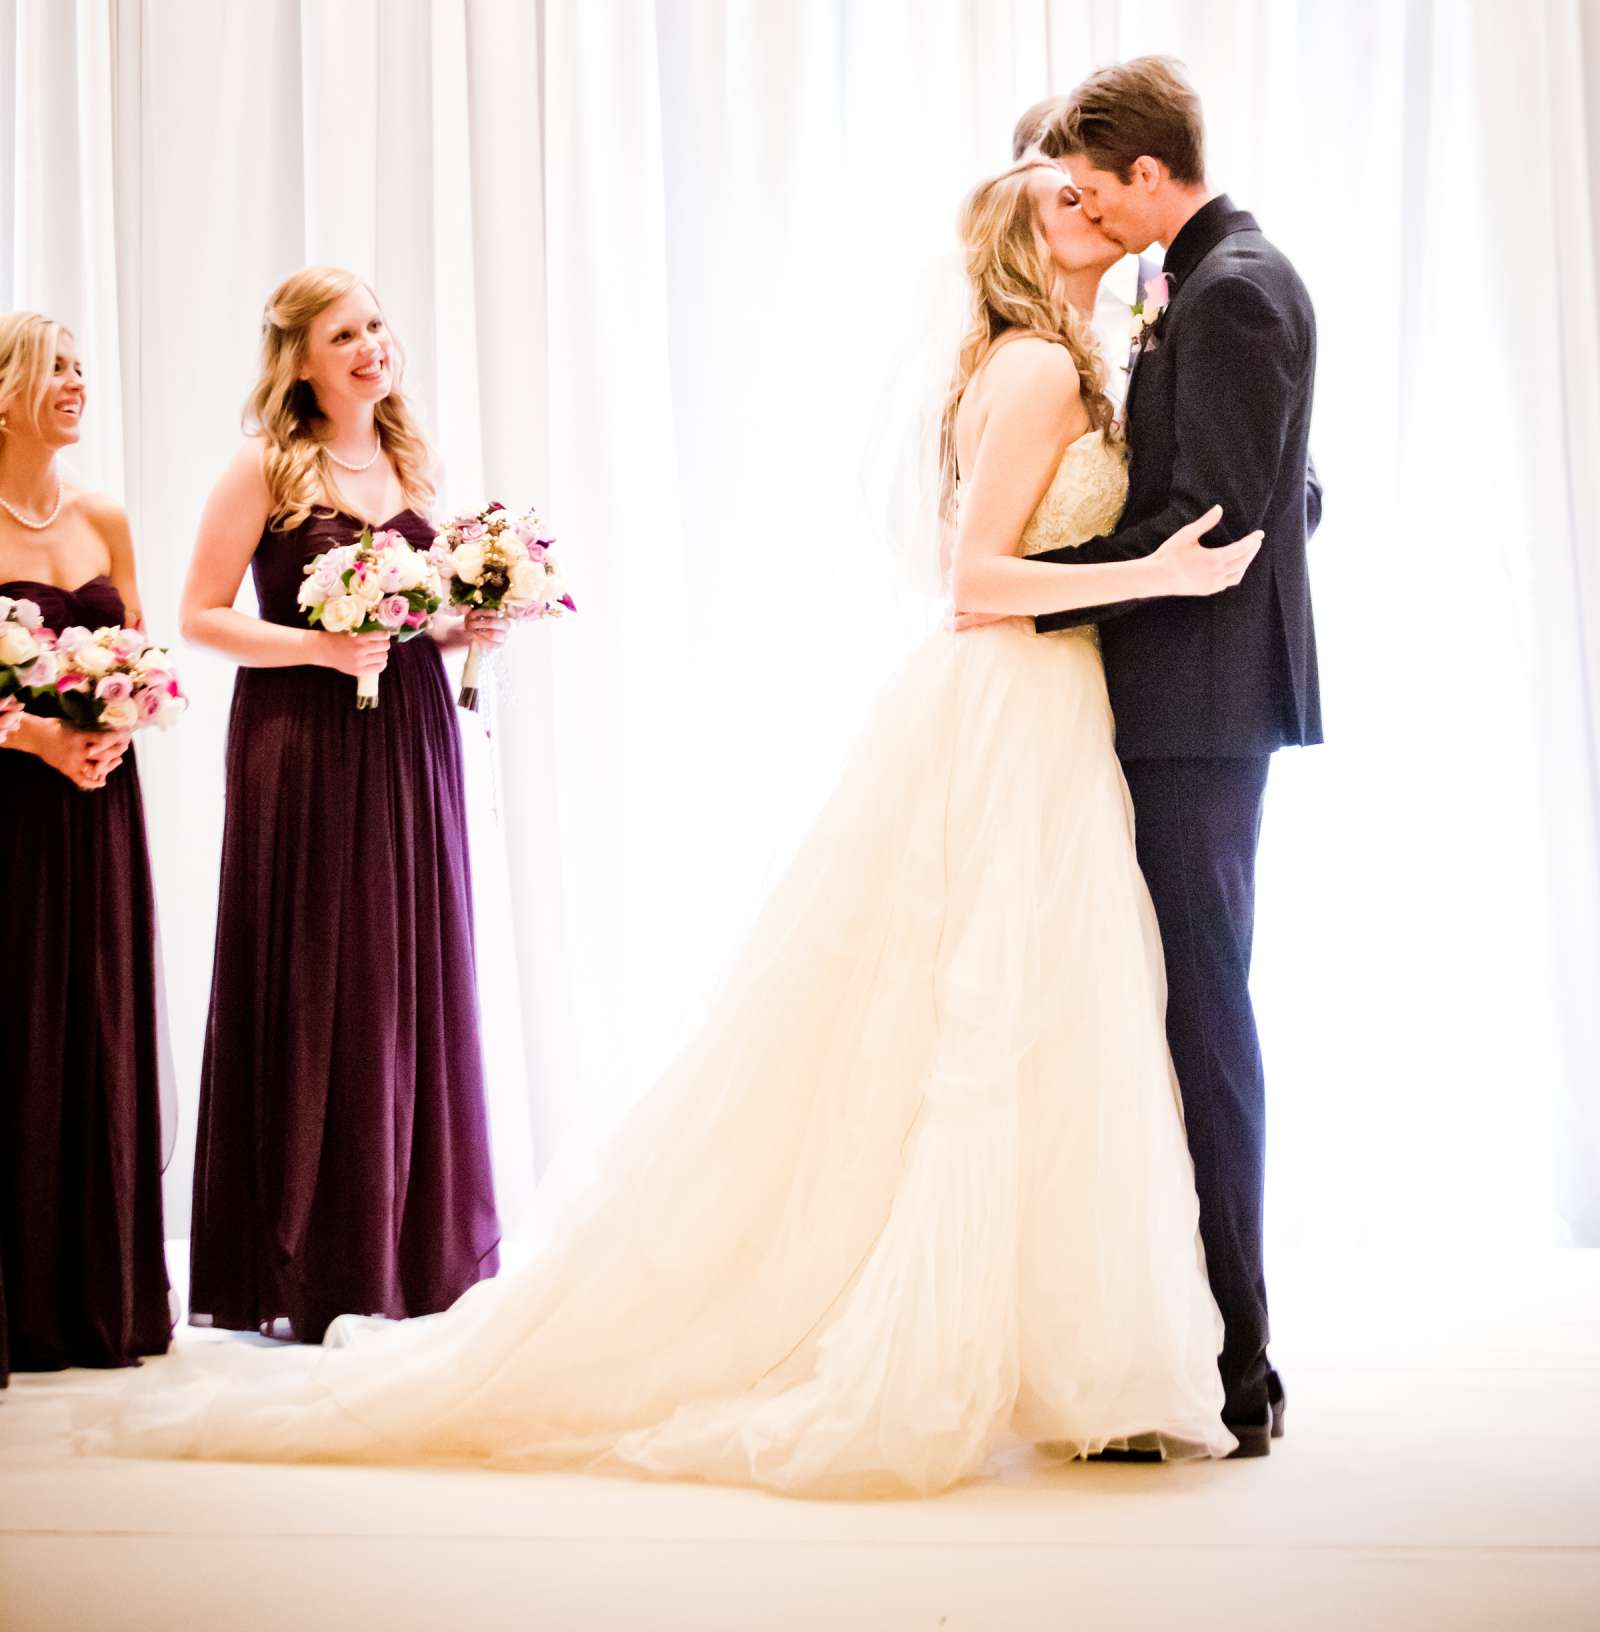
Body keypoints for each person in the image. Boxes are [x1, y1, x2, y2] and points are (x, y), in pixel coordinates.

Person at [90, 166, 1262, 1495]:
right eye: (1064, 200)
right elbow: (971, 583)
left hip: (1044, 713)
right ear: (1021, 241)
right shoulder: (1037, 371)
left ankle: (1054, 1341)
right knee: (993, 1018)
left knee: (1043, 1014)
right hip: (1008, 700)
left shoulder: (1050, 358)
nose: (1092, 206)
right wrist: (1156, 574)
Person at [1001, 57, 1321, 1458]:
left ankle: (1242, 1364)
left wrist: (1020, 586)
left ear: (1149, 174)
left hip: (1196, 716)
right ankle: (1183, 1339)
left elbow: (1227, 520)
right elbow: (1290, 489)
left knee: (1204, 1023)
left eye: (1098, 185)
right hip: (1185, 702)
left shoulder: (1232, 288)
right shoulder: (1209, 281)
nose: (1092, 211)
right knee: (1164, 1016)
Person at [183, 269, 504, 1344]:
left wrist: (467, 630)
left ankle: (410, 1248)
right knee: (328, 968)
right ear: (302, 361)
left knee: (406, 968)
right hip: (304, 745)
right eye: (343, 334)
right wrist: (318, 649)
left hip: (411, 733)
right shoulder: (268, 469)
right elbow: (201, 616)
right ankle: (309, 1255)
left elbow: (421, 614)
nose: (371, 346)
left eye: (374, 326)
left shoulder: (413, 460)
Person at [0, 311, 171, 1379]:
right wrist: (37, 739)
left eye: (80, 367)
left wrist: (119, 722)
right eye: (53, 367)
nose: (75, 382)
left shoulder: (103, 512)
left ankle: (91, 1297)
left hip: (100, 805)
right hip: (10, 808)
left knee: (96, 1026)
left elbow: (143, 653)